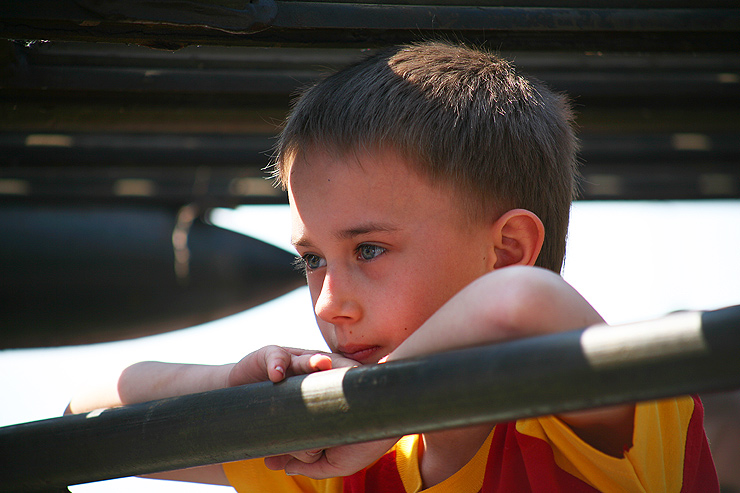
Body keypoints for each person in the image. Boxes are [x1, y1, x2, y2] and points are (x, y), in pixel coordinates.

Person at [67, 41, 719, 491]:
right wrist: (232, 386)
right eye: (312, 259)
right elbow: (86, 417)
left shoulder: (605, 411)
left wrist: (379, 405)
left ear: (507, 249)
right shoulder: (334, 454)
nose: (328, 302)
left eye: (369, 250)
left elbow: (518, 304)